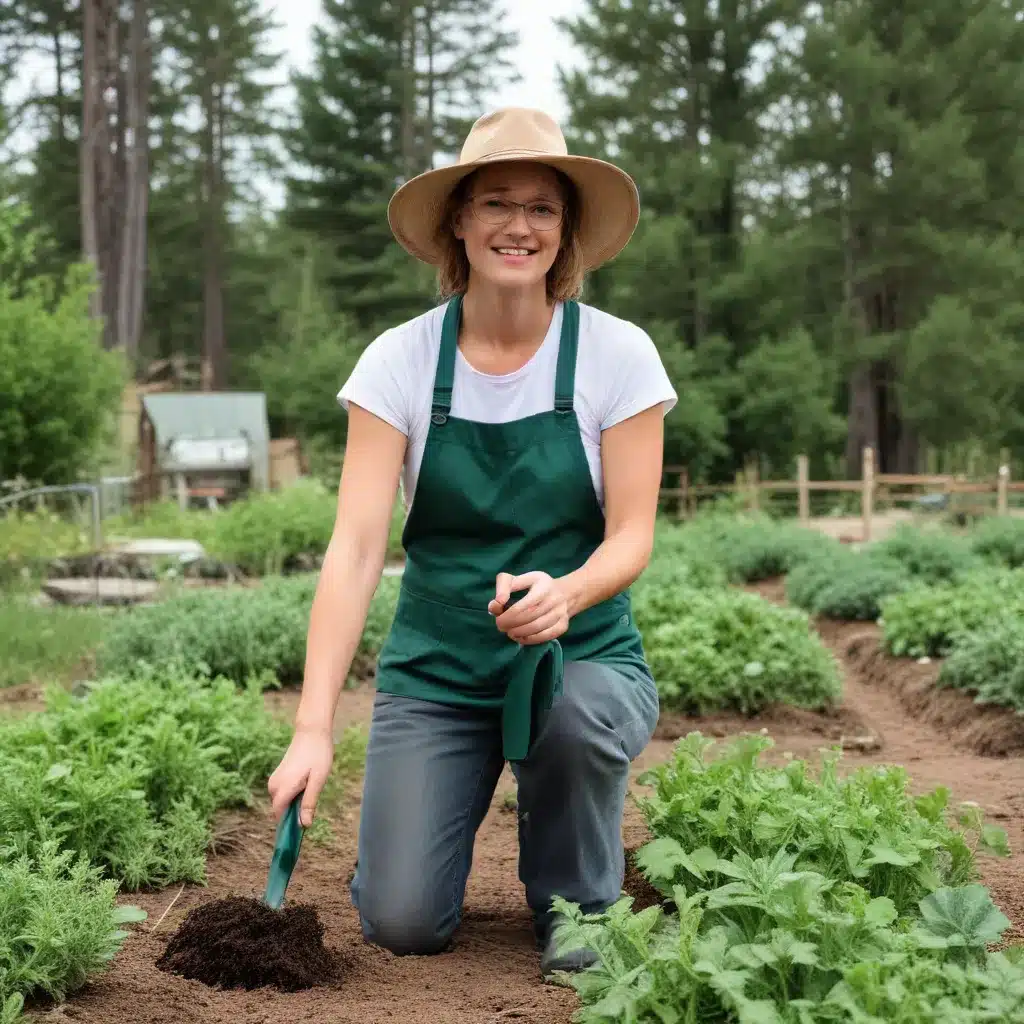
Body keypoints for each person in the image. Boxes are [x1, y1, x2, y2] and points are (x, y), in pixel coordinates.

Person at [267, 107, 678, 978]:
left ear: (565, 231)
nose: (518, 227)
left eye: (542, 208)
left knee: (569, 721)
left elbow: (633, 534)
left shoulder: (618, 355)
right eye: (497, 202)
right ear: (458, 219)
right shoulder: (400, 362)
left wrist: (567, 595)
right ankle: (423, 845)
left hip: (583, 657)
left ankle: (578, 897)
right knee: (402, 922)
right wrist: (312, 727)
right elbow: (353, 549)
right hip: (440, 666)